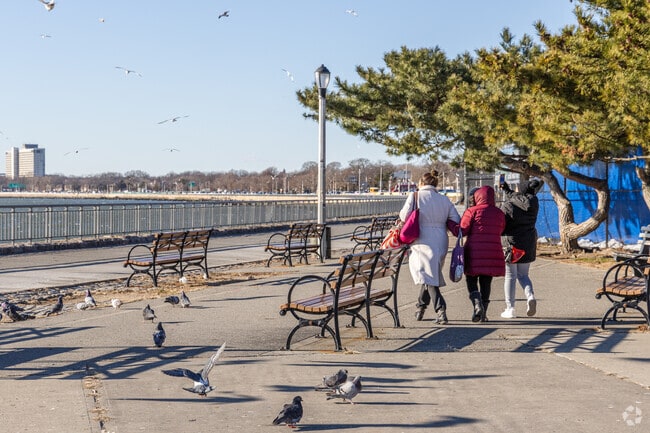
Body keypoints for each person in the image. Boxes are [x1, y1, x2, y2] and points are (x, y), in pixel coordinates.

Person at [401, 171, 460, 324]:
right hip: (441, 238)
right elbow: (455, 220)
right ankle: (420, 307)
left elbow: (404, 216)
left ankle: (441, 310)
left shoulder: (415, 196)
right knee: (430, 274)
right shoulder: (444, 200)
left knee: (428, 275)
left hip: (422, 238)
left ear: (421, 183)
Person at [451, 185, 505, 322]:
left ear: (477, 197)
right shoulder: (499, 213)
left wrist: (449, 223)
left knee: (471, 280)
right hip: (493, 252)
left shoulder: (472, 211)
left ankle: (476, 304)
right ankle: (484, 314)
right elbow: (501, 230)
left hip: (474, 252)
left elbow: (461, 231)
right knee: (486, 282)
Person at [499, 178, 544, 319]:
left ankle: (510, 308)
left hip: (511, 244)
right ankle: (530, 296)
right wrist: (506, 189)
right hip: (528, 242)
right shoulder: (534, 203)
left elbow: (502, 224)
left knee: (510, 276)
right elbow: (518, 197)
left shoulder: (508, 205)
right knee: (523, 275)